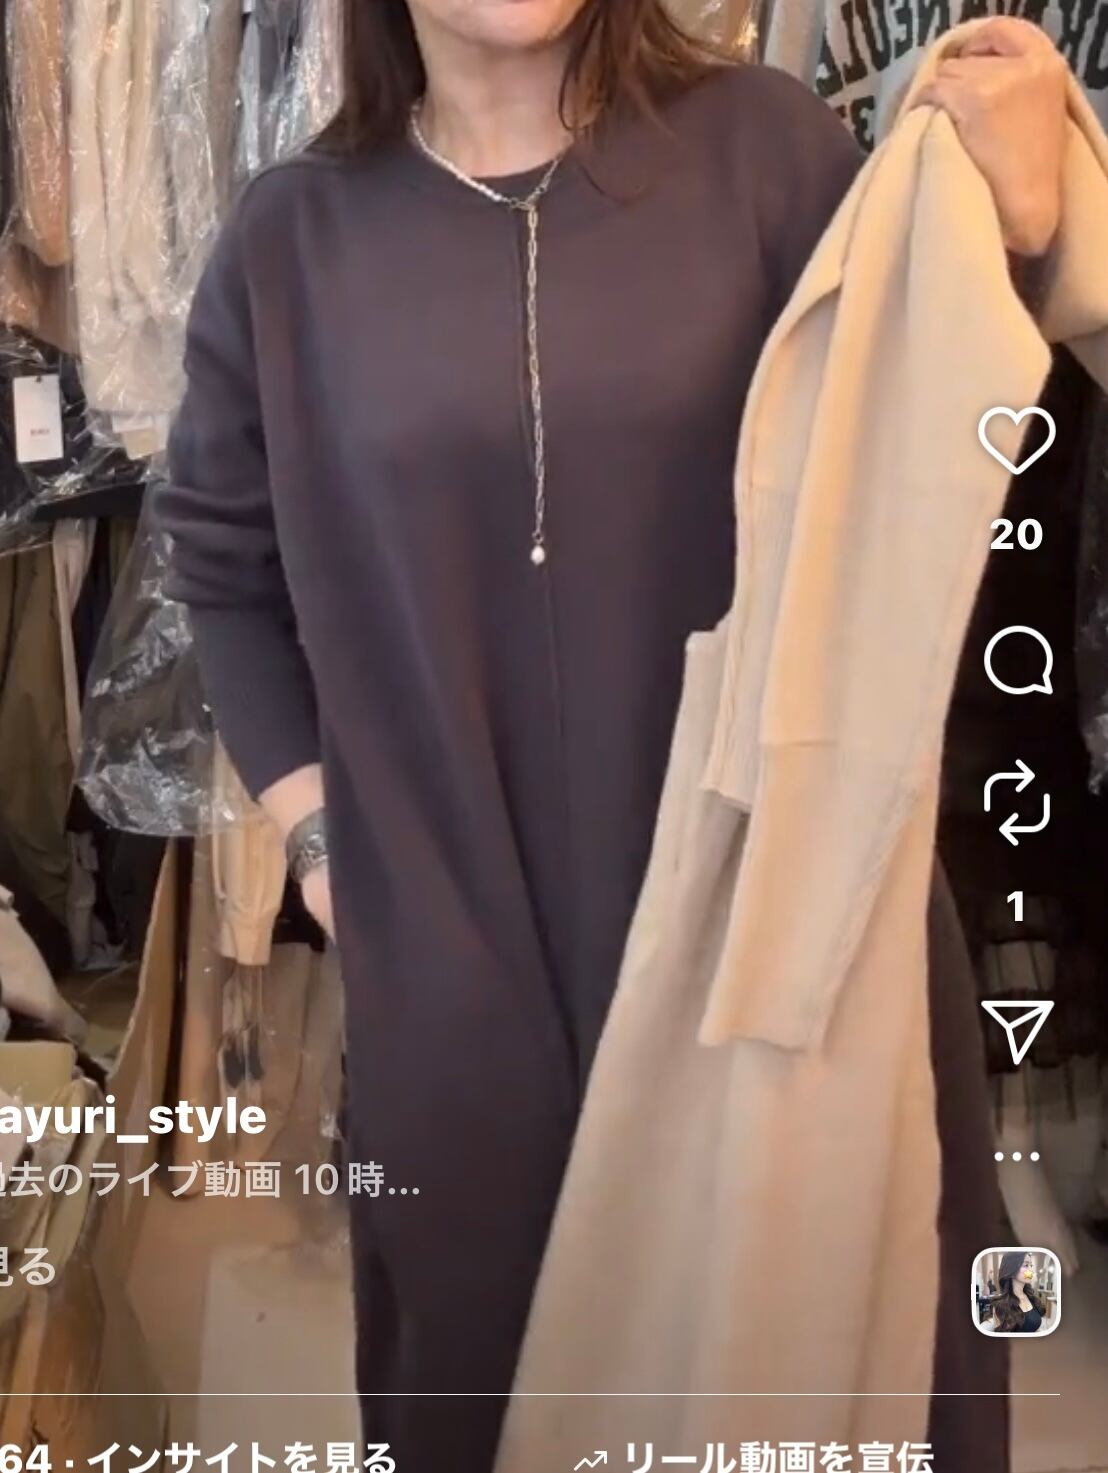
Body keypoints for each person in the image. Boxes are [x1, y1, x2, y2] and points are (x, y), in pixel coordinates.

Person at [156, 2, 1068, 1469]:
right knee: (486, 1376)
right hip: (458, 958)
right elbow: (219, 555)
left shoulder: (767, 156)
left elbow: (926, 413)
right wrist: (323, 845)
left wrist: (1025, 227)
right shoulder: (293, 240)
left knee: (815, 1369)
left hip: (773, 944)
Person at [994, 1250, 1049, 1333]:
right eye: (1026, 1265)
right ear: (1011, 1269)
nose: (1031, 1271)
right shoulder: (1001, 1305)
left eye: (1031, 1265)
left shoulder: (1031, 1298)